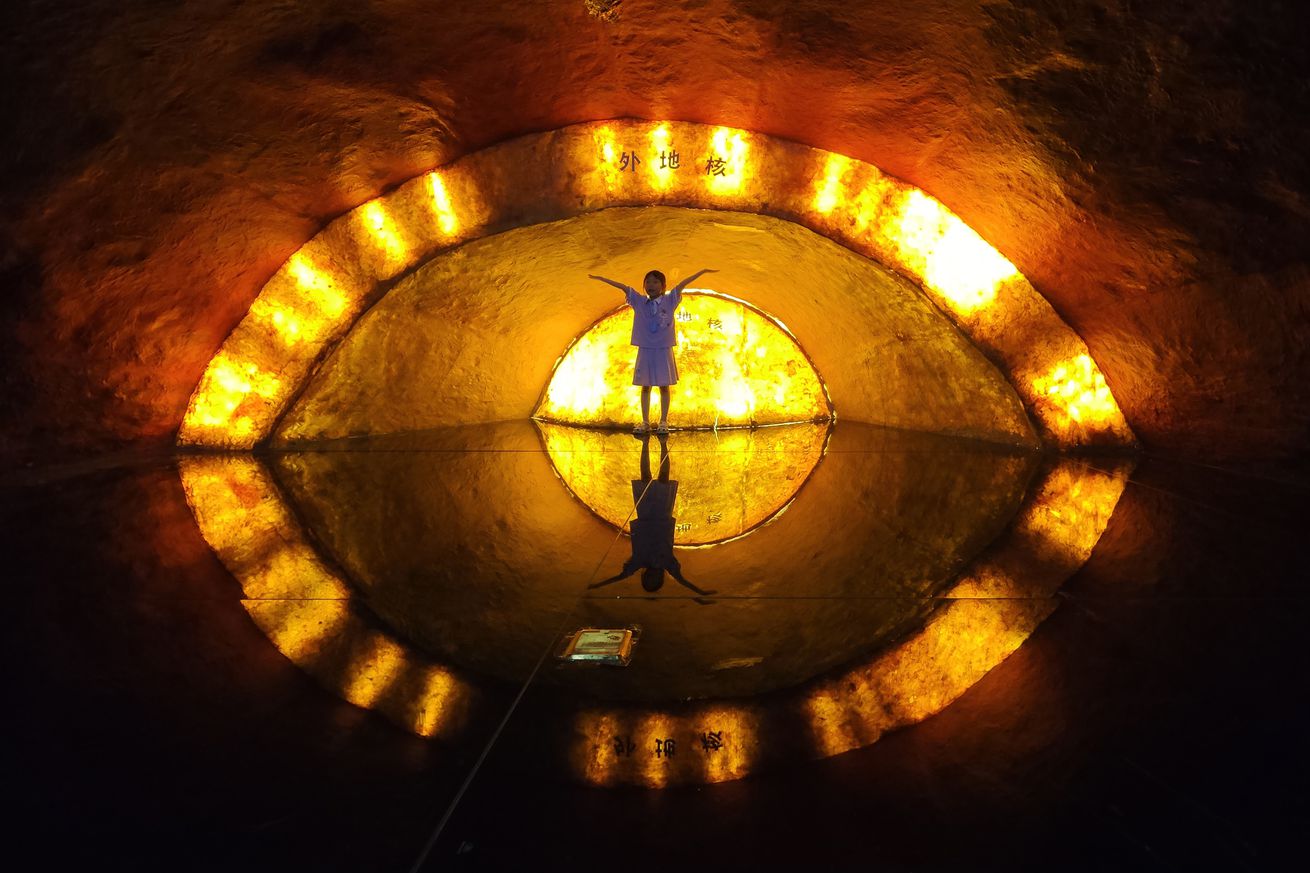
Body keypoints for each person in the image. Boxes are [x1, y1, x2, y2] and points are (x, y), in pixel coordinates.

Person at [588, 432, 716, 602]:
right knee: (663, 478)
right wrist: (700, 593)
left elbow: (619, 577)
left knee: (646, 477)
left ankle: (645, 443)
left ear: (644, 576)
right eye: (655, 582)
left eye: (648, 580)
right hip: (662, 516)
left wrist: (596, 586)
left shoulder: (638, 562)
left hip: (646, 515)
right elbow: (683, 582)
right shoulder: (668, 564)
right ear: (660, 579)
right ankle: (663, 444)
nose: (652, 578)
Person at [587, 267, 718, 433]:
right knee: (645, 386)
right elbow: (623, 287)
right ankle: (645, 422)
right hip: (646, 348)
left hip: (663, 349)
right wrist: (601, 278)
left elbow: (683, 284)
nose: (651, 285)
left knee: (664, 386)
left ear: (662, 286)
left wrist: (702, 272)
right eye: (648, 281)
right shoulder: (640, 301)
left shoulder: (670, 300)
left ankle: (663, 421)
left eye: (655, 282)